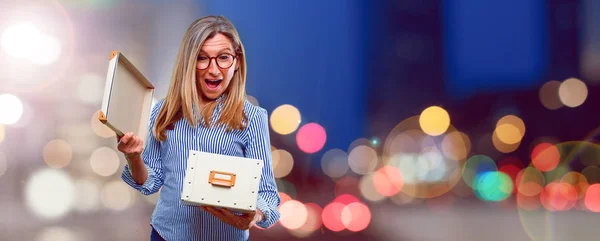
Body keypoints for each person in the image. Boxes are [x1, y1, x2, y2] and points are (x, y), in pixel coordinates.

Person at [116, 15, 281, 241]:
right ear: (189, 63)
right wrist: (134, 158)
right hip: (166, 235)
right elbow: (151, 182)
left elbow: (267, 194)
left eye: (223, 58)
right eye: (202, 58)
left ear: (237, 61)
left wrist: (254, 215)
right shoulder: (164, 111)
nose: (213, 70)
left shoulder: (252, 118)